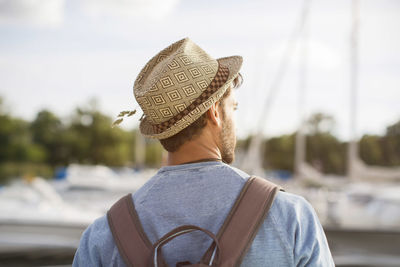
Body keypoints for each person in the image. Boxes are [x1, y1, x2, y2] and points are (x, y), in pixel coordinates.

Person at [73, 38, 335, 266]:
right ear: (214, 112)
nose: (235, 118)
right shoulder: (289, 216)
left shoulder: (104, 235)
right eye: (234, 107)